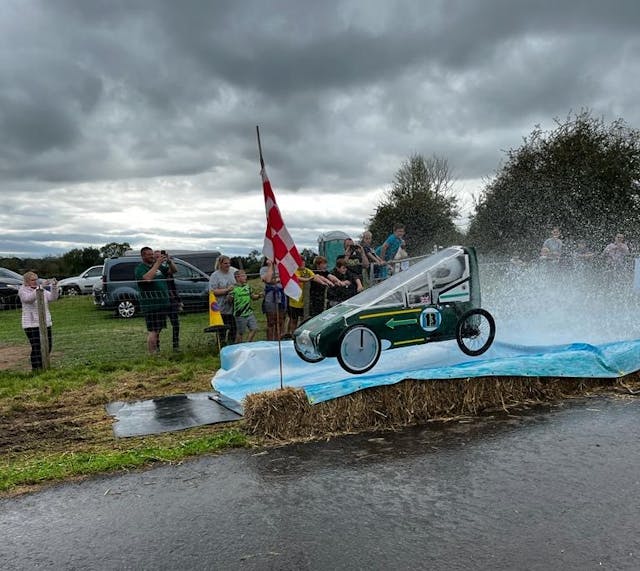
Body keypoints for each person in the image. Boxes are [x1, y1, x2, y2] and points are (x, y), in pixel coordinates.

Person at [18, 271, 59, 371]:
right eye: (32, 280)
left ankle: (44, 367)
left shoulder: (41, 290)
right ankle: (36, 369)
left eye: (36, 279)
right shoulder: (23, 290)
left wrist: (54, 287)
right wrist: (40, 287)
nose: (35, 282)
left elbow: (53, 298)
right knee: (37, 347)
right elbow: (28, 299)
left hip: (45, 322)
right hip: (31, 324)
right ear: (26, 281)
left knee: (48, 346)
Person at [135, 247, 171, 354]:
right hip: (151, 304)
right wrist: (157, 264)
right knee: (153, 330)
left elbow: (172, 271)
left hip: (162, 303)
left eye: (152, 254)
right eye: (149, 254)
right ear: (143, 256)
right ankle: (152, 354)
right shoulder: (140, 268)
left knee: (158, 330)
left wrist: (169, 261)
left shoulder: (158, 267)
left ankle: (156, 351)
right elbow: (147, 279)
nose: (152, 256)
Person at [154, 250, 181, 351]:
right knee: (159, 326)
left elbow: (174, 271)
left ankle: (175, 345)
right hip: (160, 300)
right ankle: (157, 347)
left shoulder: (165, 268)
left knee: (176, 324)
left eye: (161, 257)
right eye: (156, 257)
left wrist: (169, 260)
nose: (159, 259)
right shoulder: (153, 269)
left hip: (171, 300)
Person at [208, 255, 238, 345]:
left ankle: (231, 344)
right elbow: (212, 291)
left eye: (229, 263)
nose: (228, 265)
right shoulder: (215, 275)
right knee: (222, 329)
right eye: (225, 263)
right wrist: (227, 290)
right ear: (220, 264)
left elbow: (238, 284)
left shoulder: (233, 272)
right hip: (220, 306)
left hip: (233, 306)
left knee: (233, 327)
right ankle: (221, 345)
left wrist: (233, 293)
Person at [230, 270, 261, 343]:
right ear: (237, 277)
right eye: (243, 276)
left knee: (254, 328)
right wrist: (229, 296)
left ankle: (247, 343)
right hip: (240, 314)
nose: (245, 277)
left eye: (245, 275)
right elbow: (229, 300)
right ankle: (238, 346)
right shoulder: (233, 288)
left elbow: (253, 297)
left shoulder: (247, 287)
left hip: (249, 312)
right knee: (240, 332)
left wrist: (259, 296)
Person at [260, 258, 286, 341]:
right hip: (270, 295)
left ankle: (279, 339)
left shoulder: (281, 266)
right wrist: (270, 266)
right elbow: (267, 279)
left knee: (281, 320)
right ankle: (270, 341)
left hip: (281, 295)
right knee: (271, 321)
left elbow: (285, 278)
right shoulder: (264, 269)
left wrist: (275, 280)